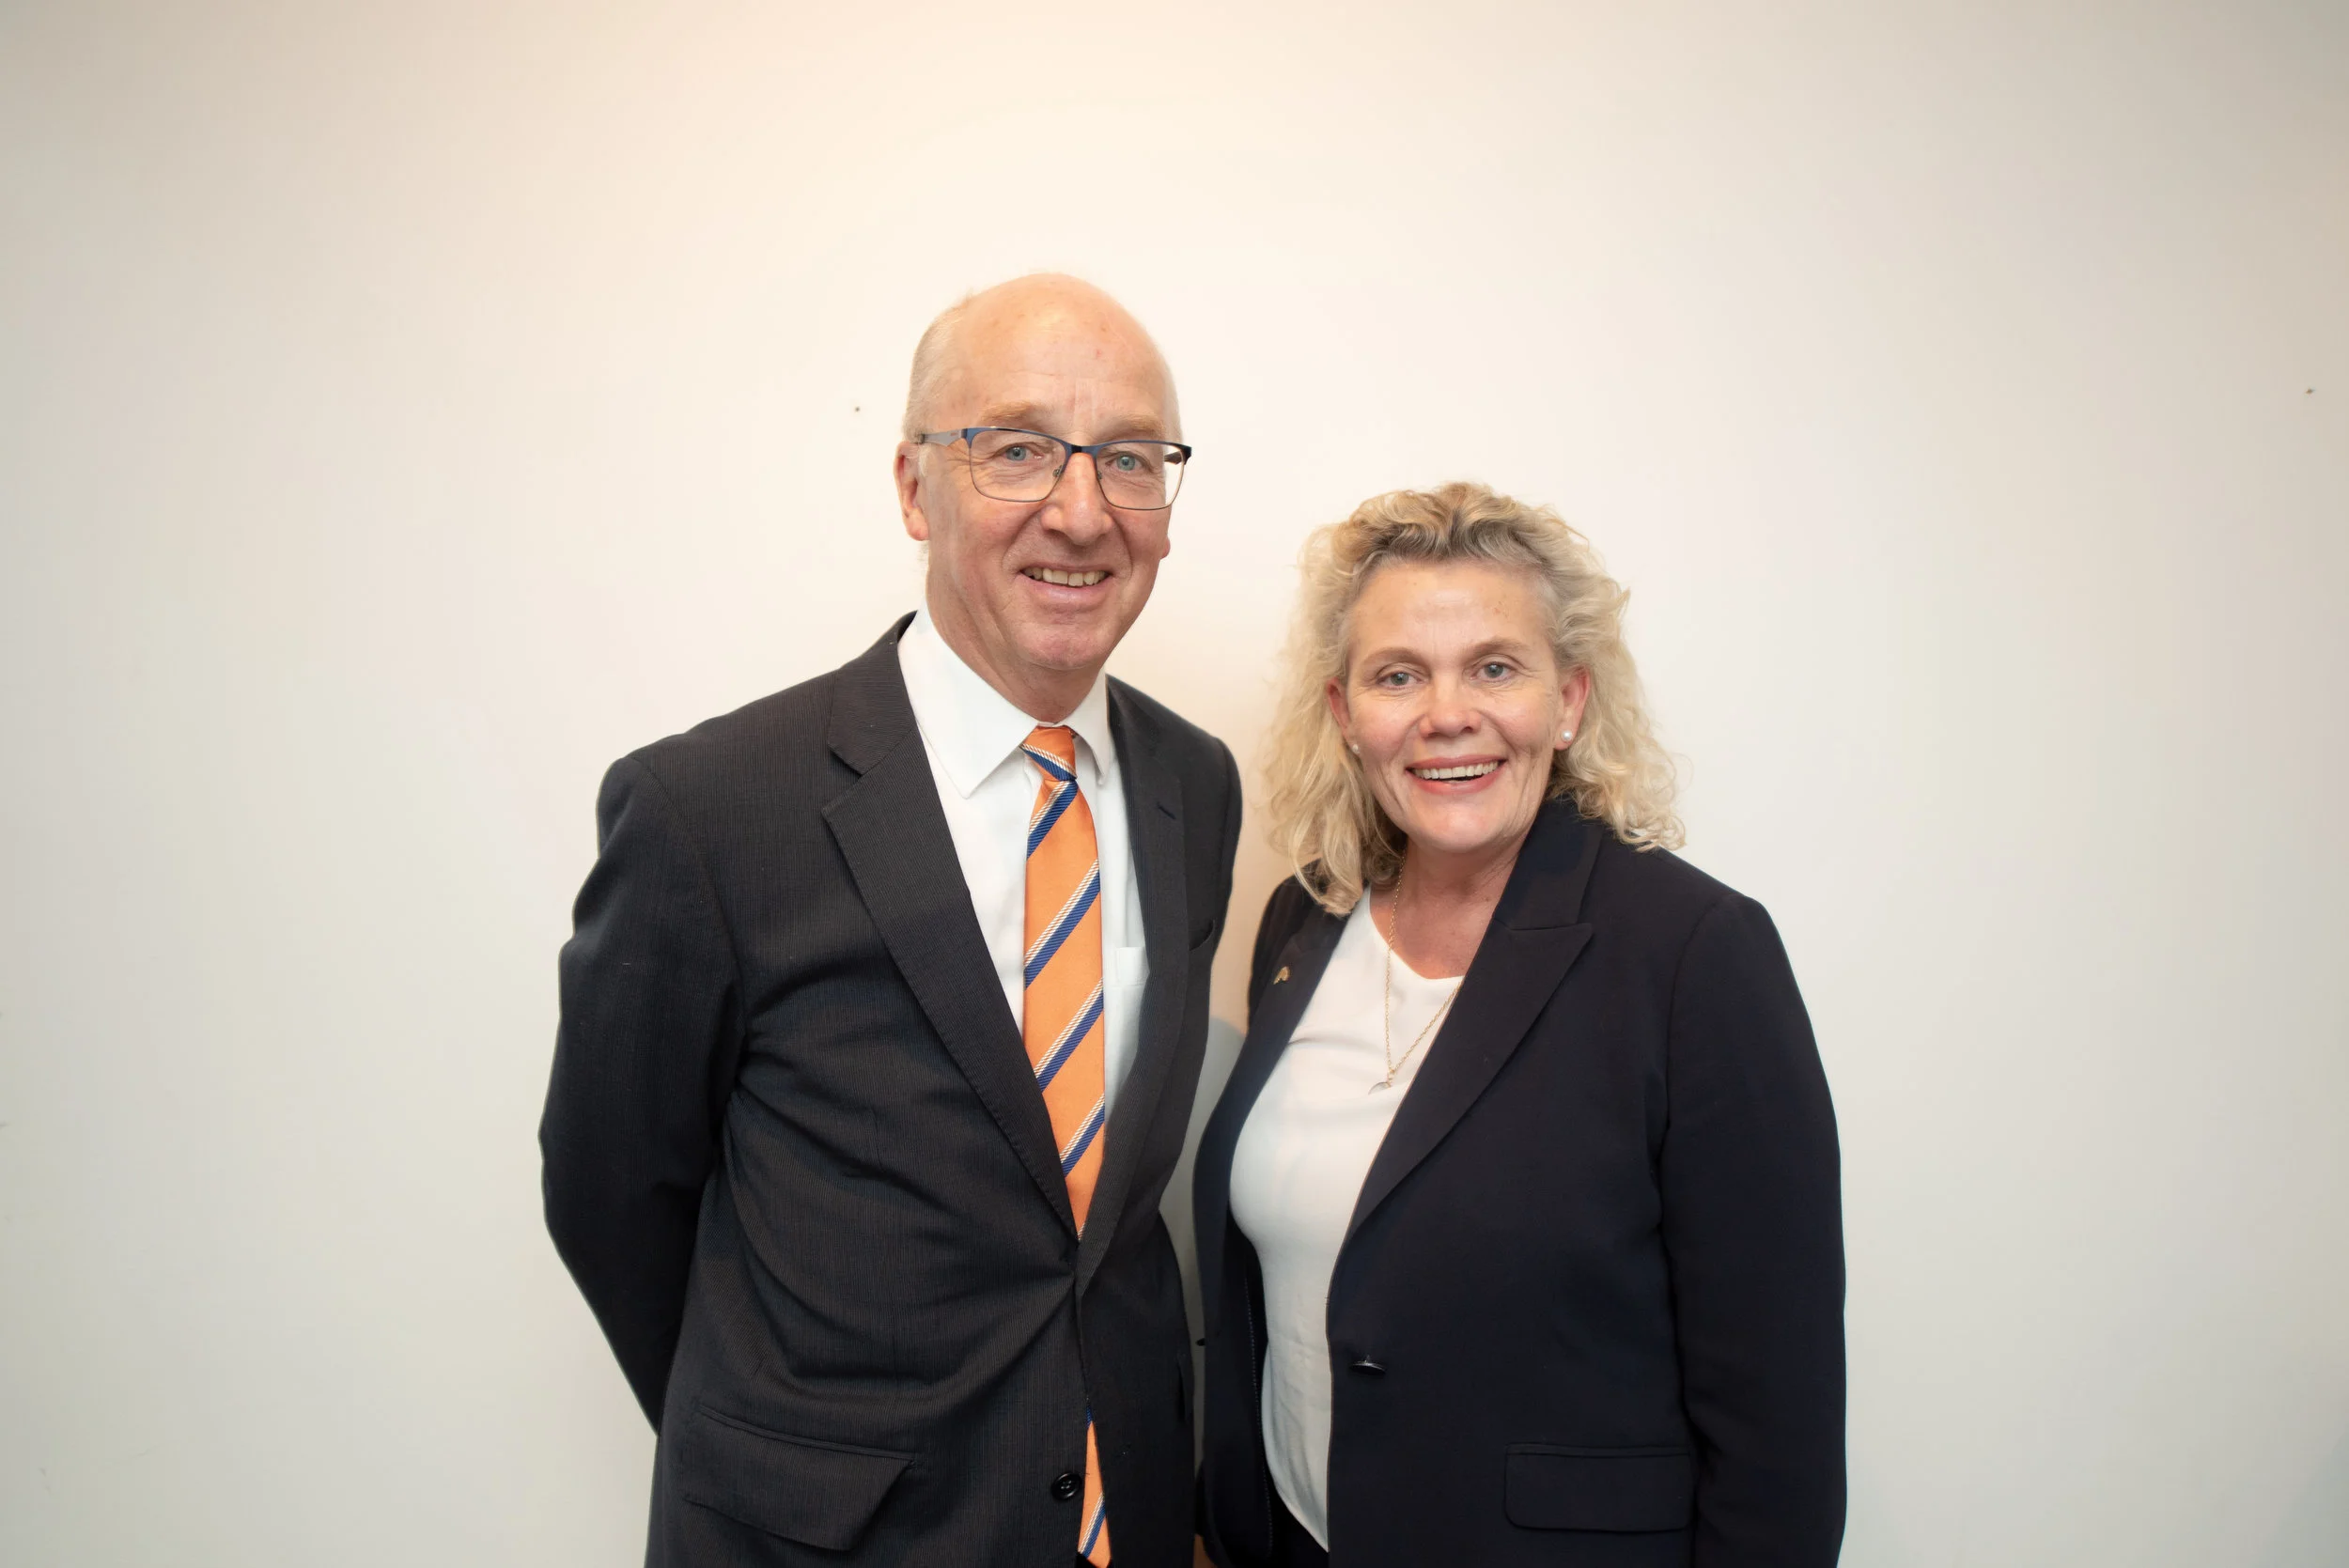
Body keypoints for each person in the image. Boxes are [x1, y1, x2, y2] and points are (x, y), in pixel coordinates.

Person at [541, 274, 1242, 1568]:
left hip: (1125, 1518)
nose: (1081, 512)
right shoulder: (712, 809)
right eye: (1019, 450)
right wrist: (784, 1450)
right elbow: (612, 1191)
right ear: (917, 487)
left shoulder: (1193, 783)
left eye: (1131, 460)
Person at [1192, 483, 1844, 1567]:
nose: (1448, 713)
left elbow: (1775, 1419)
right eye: (1399, 674)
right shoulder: (1301, 923)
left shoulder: (1694, 954)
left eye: (1495, 666)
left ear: (1570, 699)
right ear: (1346, 714)